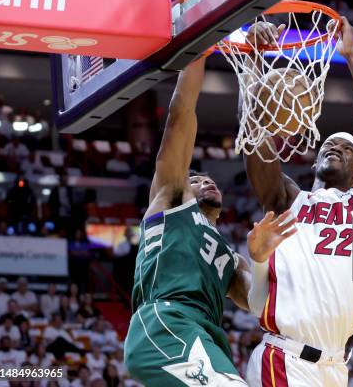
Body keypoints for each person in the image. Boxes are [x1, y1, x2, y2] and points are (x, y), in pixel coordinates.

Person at [123, 57, 297, 387]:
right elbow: (180, 117)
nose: (206, 181)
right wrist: (200, 50)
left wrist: (260, 260)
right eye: (197, 179)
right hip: (165, 321)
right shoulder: (172, 201)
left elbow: (257, 303)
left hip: (206, 334)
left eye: (210, 180)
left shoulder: (230, 257)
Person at [242, 17, 353, 386]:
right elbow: (255, 138)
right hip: (286, 358)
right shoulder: (288, 197)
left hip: (335, 367)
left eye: (347, 148)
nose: (336, 146)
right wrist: (252, 62)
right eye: (329, 143)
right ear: (314, 160)